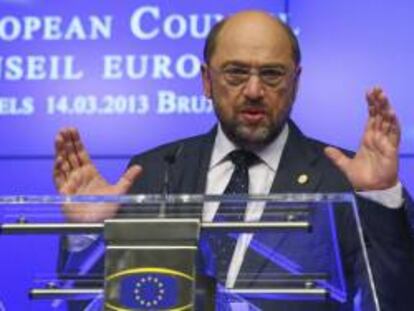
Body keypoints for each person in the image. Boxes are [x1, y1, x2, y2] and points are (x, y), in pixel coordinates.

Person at [54, 11, 414, 310]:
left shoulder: (343, 180)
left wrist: (379, 197)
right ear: (207, 81)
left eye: (272, 74)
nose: (254, 90)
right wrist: (88, 235)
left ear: (296, 81)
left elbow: (396, 300)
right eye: (236, 73)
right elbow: (97, 303)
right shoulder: (152, 172)